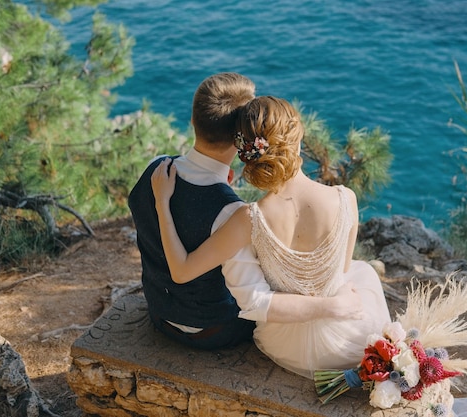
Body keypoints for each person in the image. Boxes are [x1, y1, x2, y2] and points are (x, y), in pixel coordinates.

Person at [151, 95, 391, 377]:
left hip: (287, 347)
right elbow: (343, 269)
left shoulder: (248, 219)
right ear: (298, 138)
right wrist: (332, 304)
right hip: (349, 338)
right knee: (362, 272)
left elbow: (181, 271)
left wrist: (161, 204)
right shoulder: (345, 198)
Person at [129, 74, 362, 351]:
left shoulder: (158, 168)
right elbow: (255, 300)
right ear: (239, 140)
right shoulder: (232, 212)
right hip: (211, 330)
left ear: (193, 121)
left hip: (160, 313)